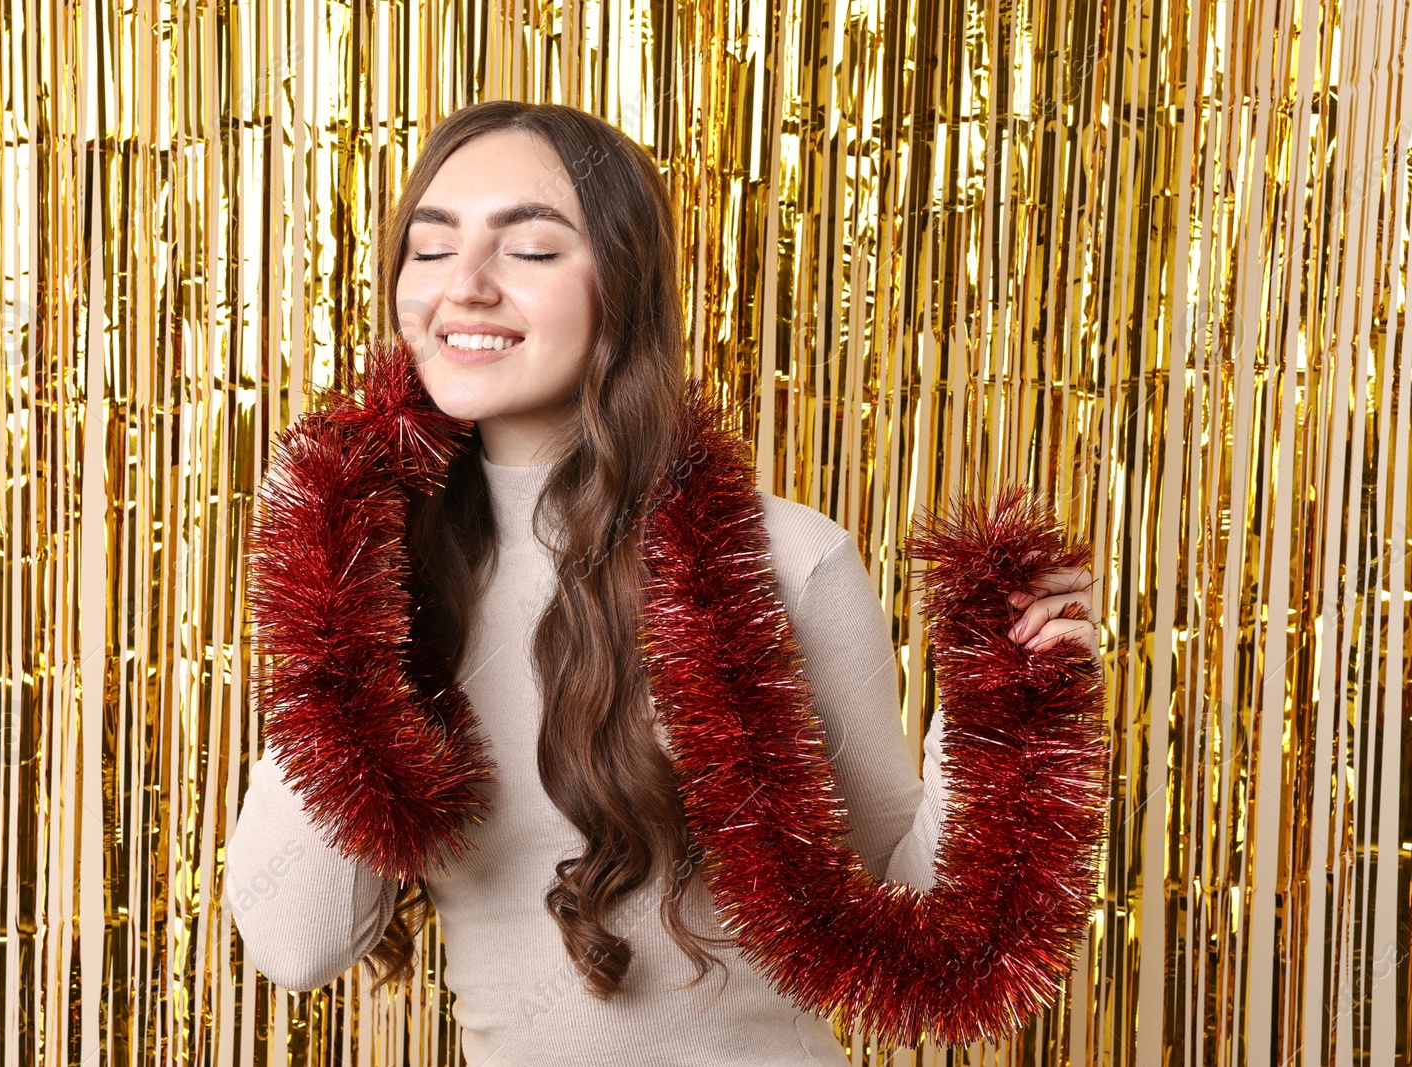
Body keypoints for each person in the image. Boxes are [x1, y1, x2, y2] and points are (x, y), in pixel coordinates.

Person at [223, 99, 1099, 1067]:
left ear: (622, 285)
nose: (463, 287)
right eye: (429, 251)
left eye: (531, 250)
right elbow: (294, 940)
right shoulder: (387, 578)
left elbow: (914, 918)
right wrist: (334, 575)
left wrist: (997, 719)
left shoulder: (783, 561)